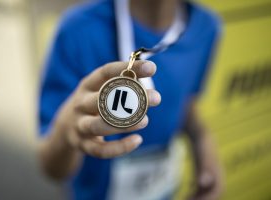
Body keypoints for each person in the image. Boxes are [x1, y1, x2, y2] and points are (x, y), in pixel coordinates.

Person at [38, 0, 223, 199]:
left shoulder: (206, 28)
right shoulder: (77, 30)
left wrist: (202, 142)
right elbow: (51, 167)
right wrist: (66, 132)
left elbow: (186, 102)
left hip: (164, 190)